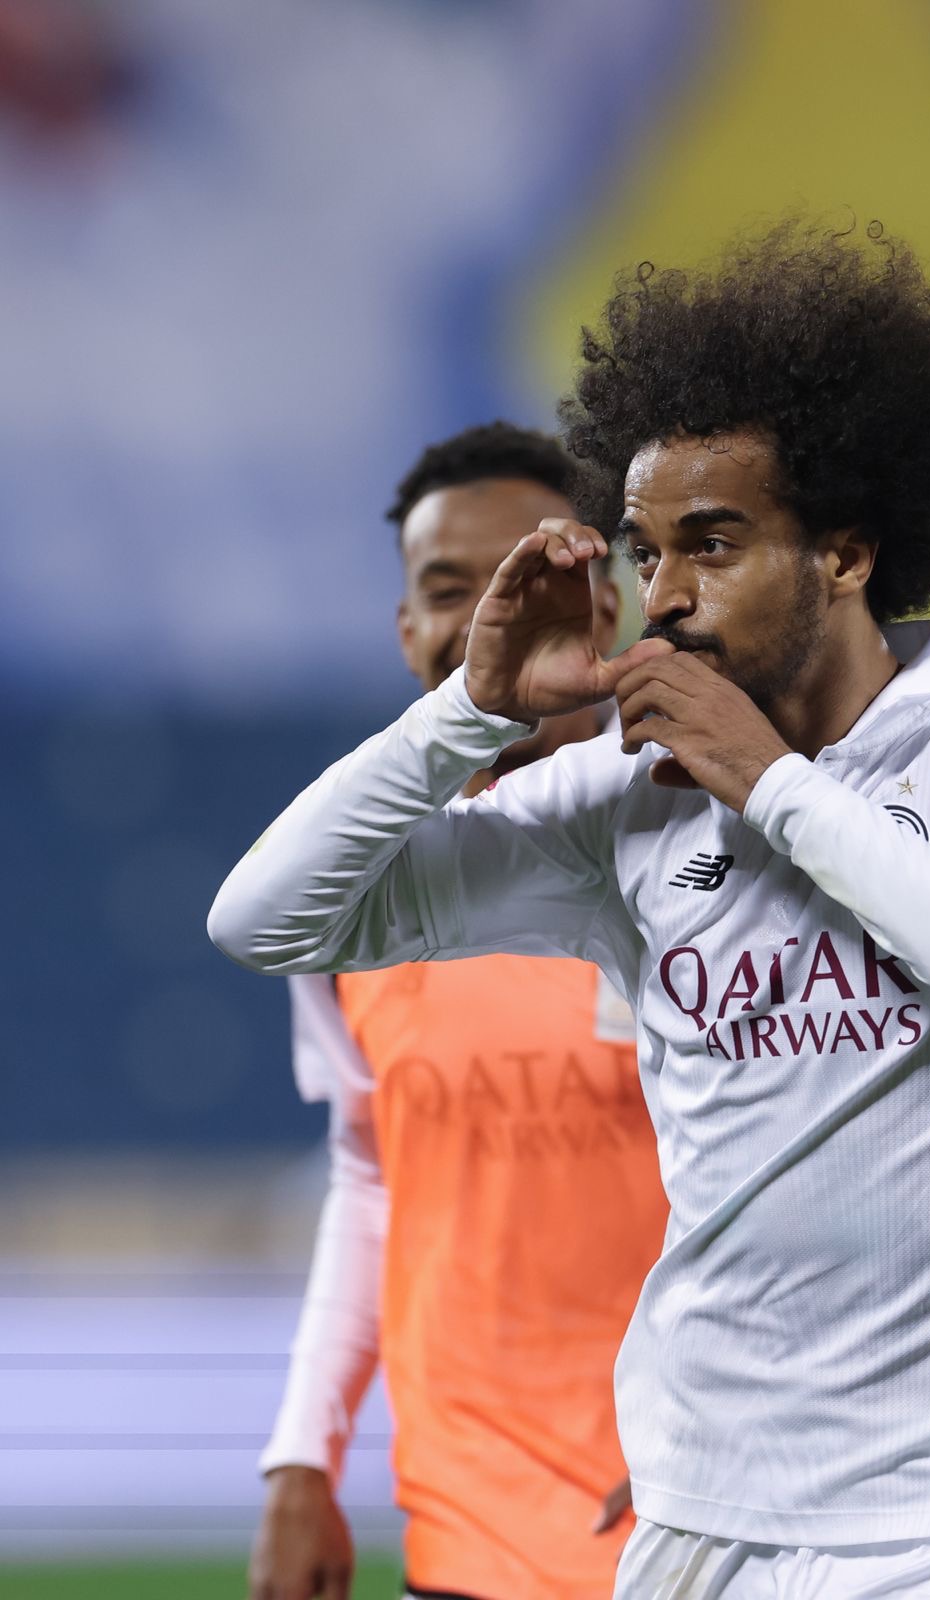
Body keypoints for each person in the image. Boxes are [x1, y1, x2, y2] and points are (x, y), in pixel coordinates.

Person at [213, 221, 930, 1599]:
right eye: (647, 552)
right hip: (702, 1520)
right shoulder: (626, 803)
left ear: (845, 552)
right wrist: (465, 712)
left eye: (711, 545)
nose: (663, 596)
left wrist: (773, 785)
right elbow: (264, 921)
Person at [247, 423, 669, 1600]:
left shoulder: (692, 847)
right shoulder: (351, 892)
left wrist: (730, 1411)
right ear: (408, 629)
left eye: (526, 577)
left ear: (604, 608)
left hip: (692, 1525)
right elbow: (372, 1169)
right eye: (449, 589)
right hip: (462, 1528)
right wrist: (302, 1456)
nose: (491, 615)